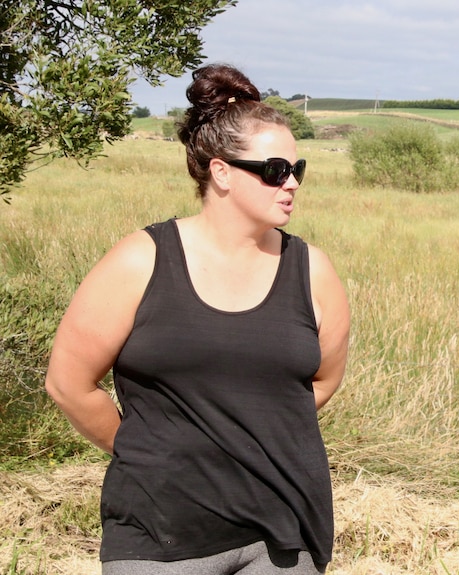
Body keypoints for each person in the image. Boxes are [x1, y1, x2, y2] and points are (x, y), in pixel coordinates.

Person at [44, 63, 350, 574]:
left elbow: (322, 380)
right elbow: (68, 384)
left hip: (282, 533)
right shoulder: (141, 260)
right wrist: (148, 451)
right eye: (275, 169)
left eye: (299, 169)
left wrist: (251, 431)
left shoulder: (311, 269)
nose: (291, 183)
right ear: (221, 171)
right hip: (159, 533)